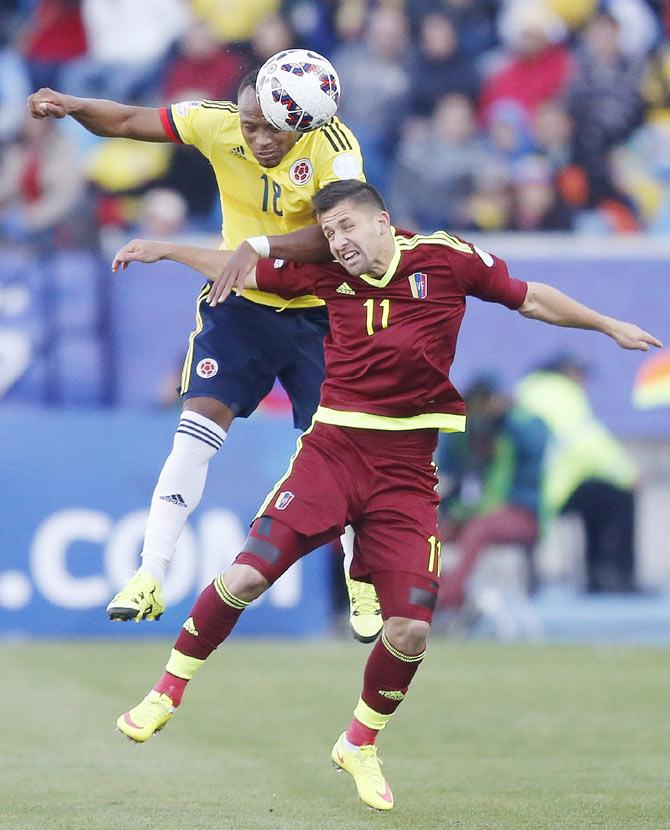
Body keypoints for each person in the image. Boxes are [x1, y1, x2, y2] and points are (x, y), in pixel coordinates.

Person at [110, 180, 660, 811]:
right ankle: (167, 690)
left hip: (405, 470)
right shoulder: (319, 274)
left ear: (382, 223)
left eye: (348, 227)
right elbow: (241, 267)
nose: (340, 242)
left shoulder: (445, 260)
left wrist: (606, 324)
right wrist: (166, 249)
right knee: (247, 576)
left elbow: (530, 298)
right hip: (333, 455)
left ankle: (360, 742)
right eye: (331, 232)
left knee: (412, 632)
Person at [27, 65, 383, 642]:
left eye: (272, 129)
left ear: (298, 118)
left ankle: (361, 581)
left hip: (320, 311)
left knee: (341, 448)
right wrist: (70, 104)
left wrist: (259, 246)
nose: (260, 140)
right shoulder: (214, 124)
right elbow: (125, 119)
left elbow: (345, 229)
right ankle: (149, 573)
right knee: (194, 431)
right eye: (250, 127)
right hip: (241, 306)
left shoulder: (334, 146)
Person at [517, 354, 641, 592]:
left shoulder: (528, 392)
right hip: (552, 490)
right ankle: (615, 575)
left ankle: (598, 576)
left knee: (597, 495)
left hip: (530, 488)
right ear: (568, 373)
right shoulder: (560, 394)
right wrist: (626, 473)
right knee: (618, 496)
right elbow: (585, 442)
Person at [436, 375, 548, 612]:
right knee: (429, 534)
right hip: (476, 513)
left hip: (521, 512)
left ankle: (449, 598)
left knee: (478, 529)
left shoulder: (516, 431)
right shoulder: (465, 437)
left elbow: (537, 442)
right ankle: (441, 593)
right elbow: (447, 470)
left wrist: (506, 415)